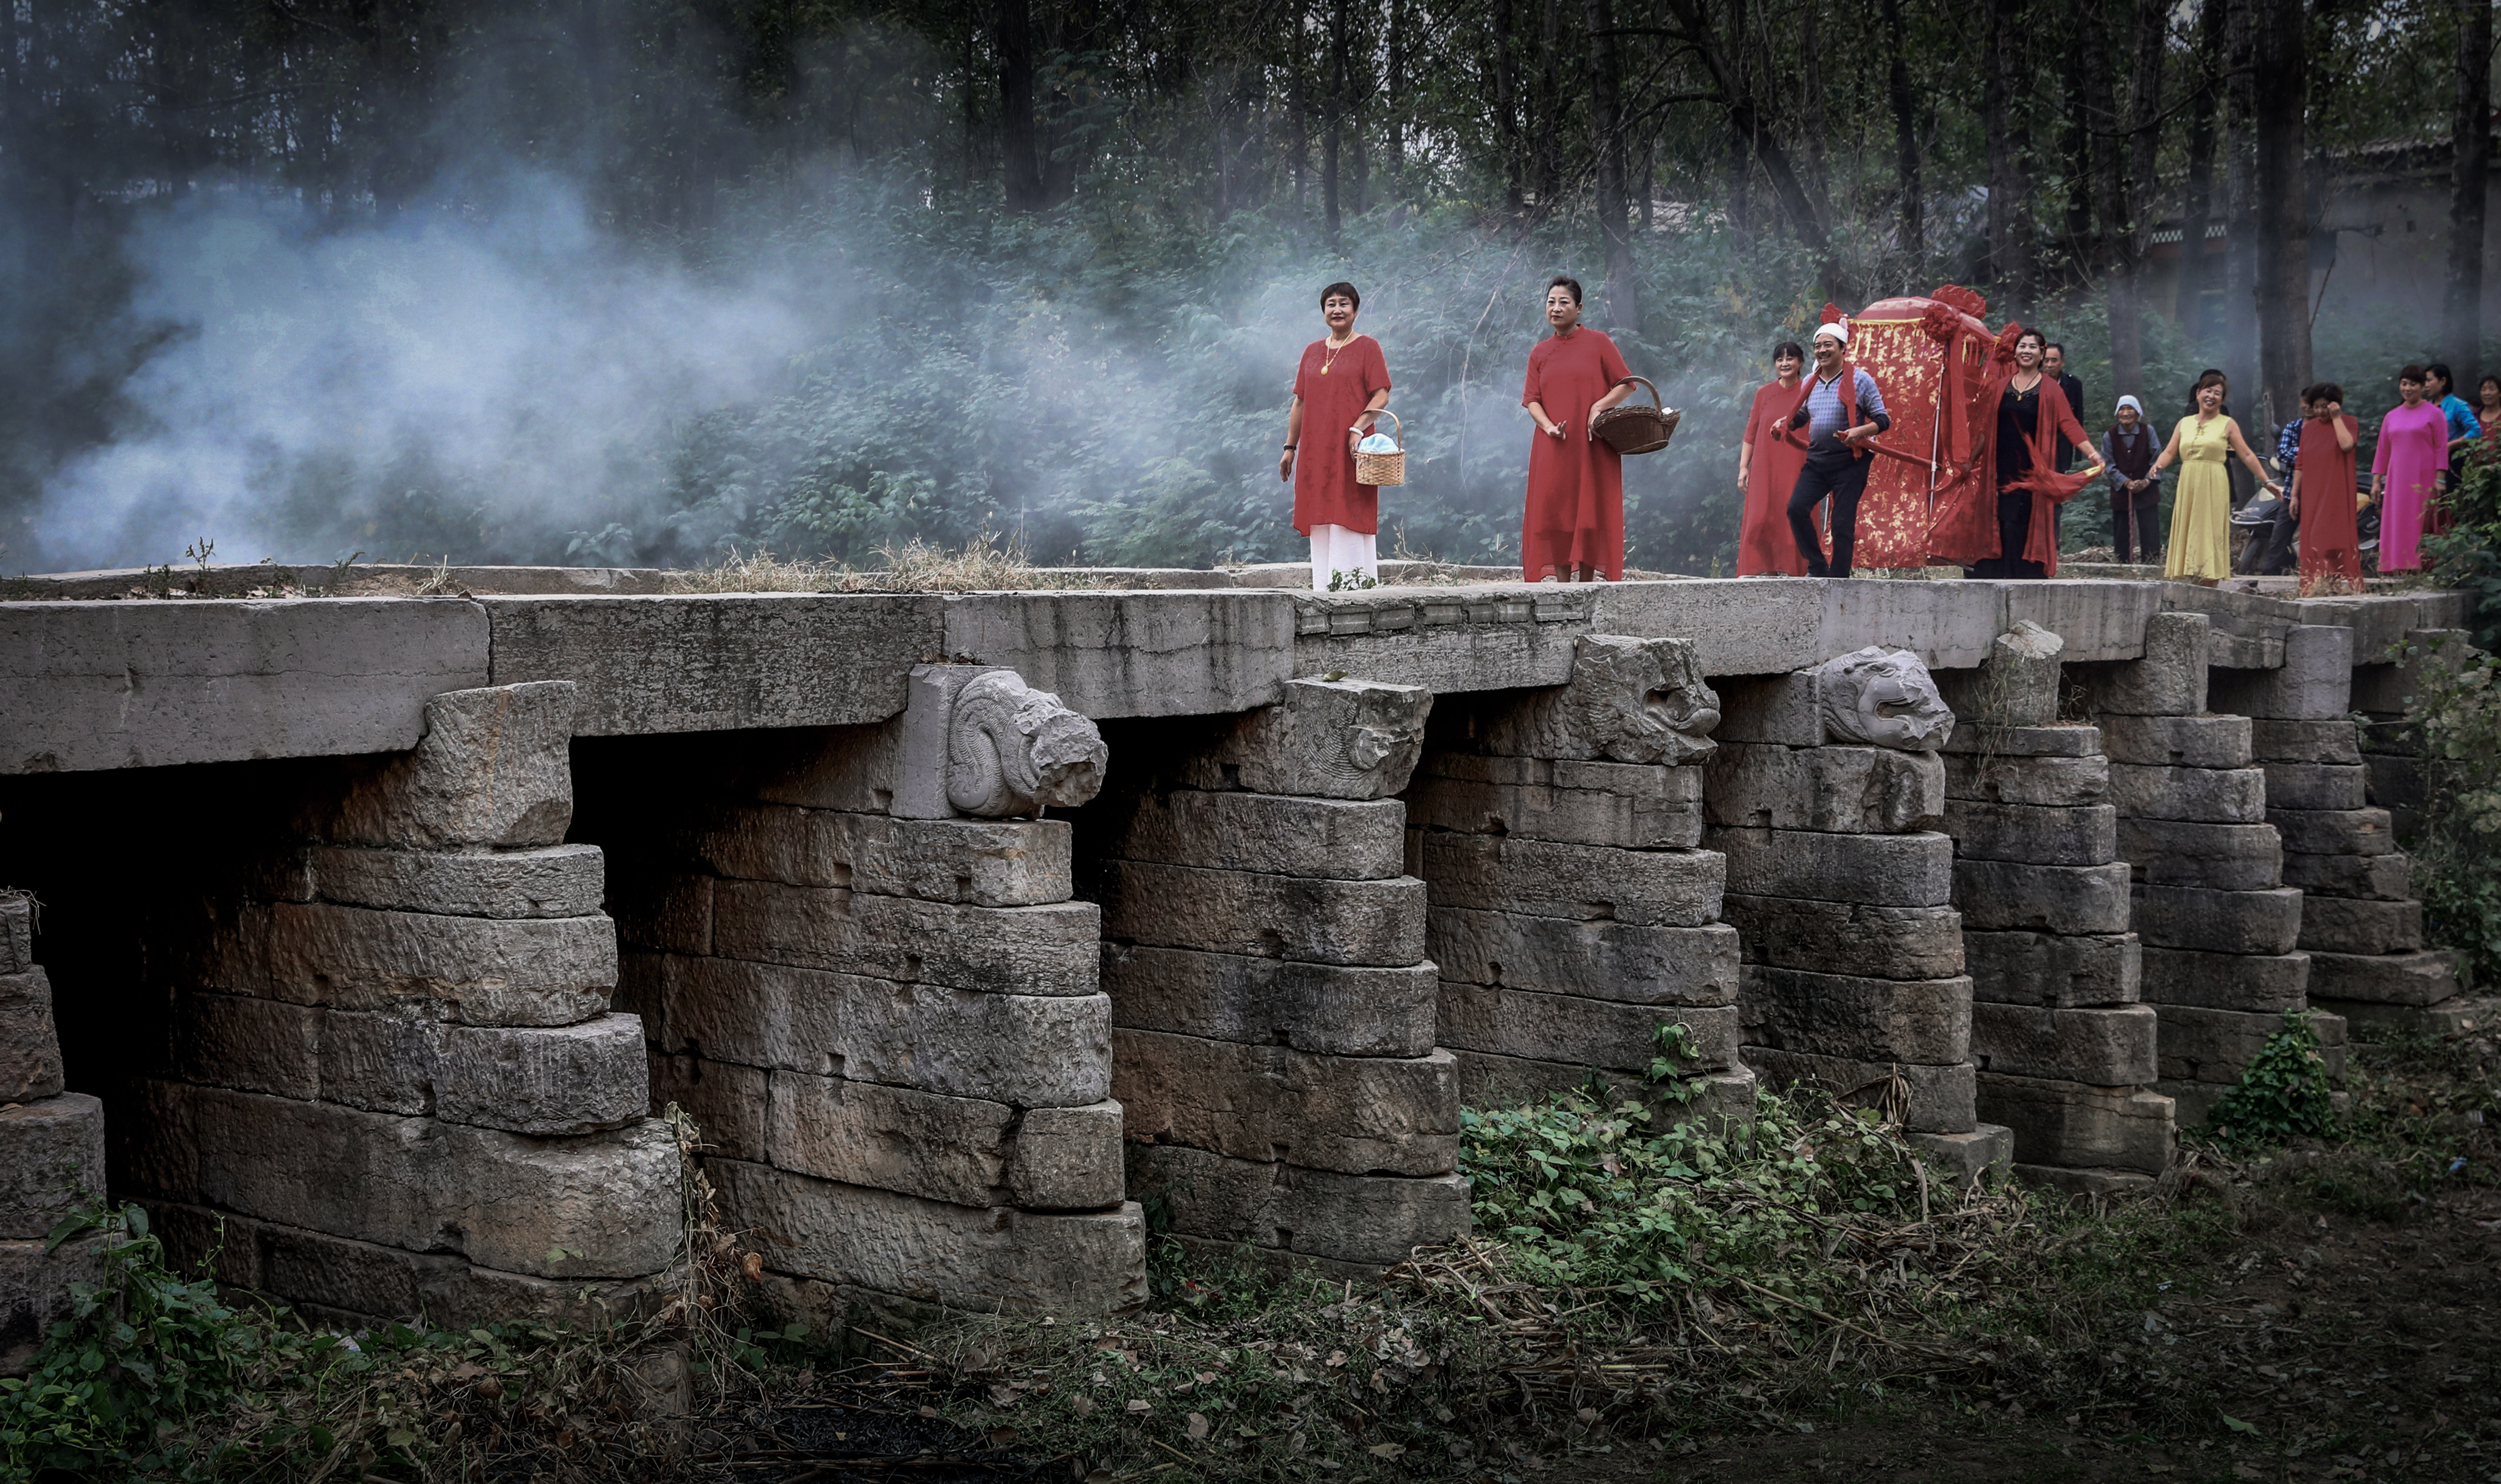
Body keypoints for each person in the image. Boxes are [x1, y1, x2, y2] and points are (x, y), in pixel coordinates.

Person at [1520, 276, 1636, 581]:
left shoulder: (1599, 343)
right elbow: (1532, 400)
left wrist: (1599, 406)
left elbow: (1627, 385)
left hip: (1592, 444)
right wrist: (1548, 428)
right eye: (1551, 303)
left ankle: (1586, 586)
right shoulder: (1540, 353)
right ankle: (1562, 587)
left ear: (1579, 308)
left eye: (1564, 303)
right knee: (1555, 513)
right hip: (1554, 446)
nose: (1556, 309)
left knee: (1589, 513)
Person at [1280, 281, 1392, 591]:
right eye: (1331, 304)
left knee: (1349, 511)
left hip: (1352, 448)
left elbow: (1381, 395)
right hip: (1317, 449)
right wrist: (1291, 447)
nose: (1337, 309)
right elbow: (1300, 401)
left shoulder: (1368, 347)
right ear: (1324, 312)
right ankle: (1323, 590)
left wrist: (1358, 427)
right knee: (1320, 513)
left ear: (1355, 311)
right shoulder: (1312, 352)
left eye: (1344, 303)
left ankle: (1355, 589)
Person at [1964, 327, 2101, 579]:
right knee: (2002, 516)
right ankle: (1998, 572)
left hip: (2032, 469)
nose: (2026, 351)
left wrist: (2092, 453)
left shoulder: (2051, 389)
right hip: (2000, 466)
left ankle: (2025, 574)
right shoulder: (2000, 386)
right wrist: (1970, 460)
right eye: (2022, 346)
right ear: (2015, 352)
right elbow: (1987, 429)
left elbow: (2069, 424)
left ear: (2041, 354)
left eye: (2032, 347)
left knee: (2024, 518)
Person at [1770, 318, 1890, 578]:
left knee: (1841, 524)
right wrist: (1784, 423)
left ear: (1843, 348)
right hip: (1818, 461)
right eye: (1817, 346)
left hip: (1851, 462)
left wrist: (1859, 431)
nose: (1822, 350)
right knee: (1796, 508)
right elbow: (1800, 417)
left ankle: (1839, 578)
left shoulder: (1860, 380)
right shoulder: (1810, 383)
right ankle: (1817, 565)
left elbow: (1883, 420)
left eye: (1828, 345)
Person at [2148, 371, 2283, 584]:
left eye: (2217, 393)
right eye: (2208, 391)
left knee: (2208, 531)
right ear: (2199, 393)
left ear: (2222, 399)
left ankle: (2210, 581)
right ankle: (2191, 577)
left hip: (2214, 481)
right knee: (2190, 527)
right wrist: (2158, 465)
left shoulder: (2227, 424)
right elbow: (2169, 452)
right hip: (2189, 480)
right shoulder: (2184, 423)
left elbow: (2247, 454)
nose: (2211, 396)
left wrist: (2267, 482)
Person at [1735, 341, 1821, 575]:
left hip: (1798, 464)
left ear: (1801, 362)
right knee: (1761, 517)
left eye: (1790, 358)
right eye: (1780, 359)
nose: (1785, 363)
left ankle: (1797, 571)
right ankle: (1767, 570)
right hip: (1765, 467)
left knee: (1794, 516)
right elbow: (1751, 433)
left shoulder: (1810, 390)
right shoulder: (1764, 393)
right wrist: (1744, 467)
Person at [2371, 365, 2450, 572]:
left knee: (2421, 520)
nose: (2407, 388)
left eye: (2413, 384)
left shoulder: (2435, 414)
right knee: (2398, 520)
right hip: (2397, 479)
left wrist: (2440, 478)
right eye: (2404, 384)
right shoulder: (2391, 416)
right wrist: (2377, 481)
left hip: (2423, 476)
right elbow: (2383, 450)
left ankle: (2421, 565)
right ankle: (2395, 565)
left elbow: (2441, 447)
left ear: (2424, 386)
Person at [2288, 382, 2363, 594]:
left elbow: (2347, 445)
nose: (2320, 412)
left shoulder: (2349, 422)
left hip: (2337, 490)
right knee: (2313, 537)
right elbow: (2300, 463)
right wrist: (2295, 495)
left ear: (2335, 405)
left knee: (2332, 537)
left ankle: (2337, 584)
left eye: (2324, 407)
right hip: (2312, 491)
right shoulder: (2309, 428)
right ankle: (2317, 586)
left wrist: (2337, 418)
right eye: (2316, 407)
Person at [2101, 395, 2162, 564]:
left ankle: (2151, 566)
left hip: (2147, 489)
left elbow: (2158, 459)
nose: (2126, 413)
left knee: (2150, 531)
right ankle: (2123, 566)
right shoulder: (2110, 435)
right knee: (2122, 532)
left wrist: (2147, 480)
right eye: (2122, 409)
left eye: (2130, 409)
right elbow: (2108, 464)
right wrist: (2125, 482)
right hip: (2121, 490)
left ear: (2137, 413)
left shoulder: (2148, 431)